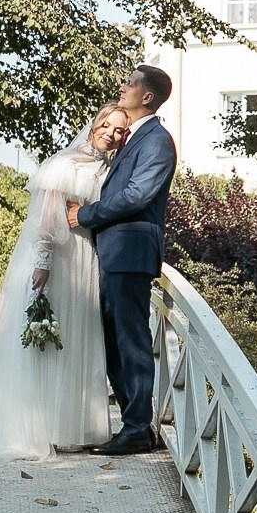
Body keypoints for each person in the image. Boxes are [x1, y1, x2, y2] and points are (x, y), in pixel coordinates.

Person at [0, 105, 132, 457]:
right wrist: (43, 262)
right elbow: (46, 217)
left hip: (86, 258)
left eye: (119, 130)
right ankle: (39, 426)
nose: (111, 133)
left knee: (79, 338)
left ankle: (73, 426)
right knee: (49, 340)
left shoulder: (109, 168)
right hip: (59, 256)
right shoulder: (64, 163)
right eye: (106, 125)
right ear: (94, 123)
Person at [67, 64, 177, 456]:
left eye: (129, 84)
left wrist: (85, 215)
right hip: (114, 254)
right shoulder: (132, 140)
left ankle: (135, 430)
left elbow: (136, 195)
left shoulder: (157, 141)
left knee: (130, 342)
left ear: (146, 96)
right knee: (115, 342)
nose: (122, 87)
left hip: (129, 254)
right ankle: (131, 426)